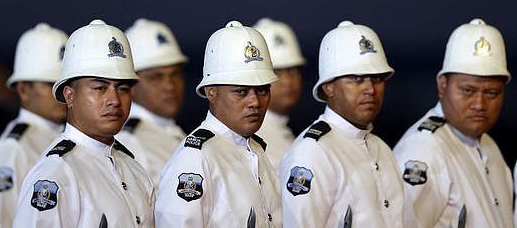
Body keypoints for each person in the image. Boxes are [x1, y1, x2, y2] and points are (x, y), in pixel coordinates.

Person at [13, 19, 154, 227]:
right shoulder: (56, 173)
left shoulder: (133, 168)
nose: (114, 100)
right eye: (99, 88)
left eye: (122, 88)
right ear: (69, 96)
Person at [156, 21, 282, 227]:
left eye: (262, 90)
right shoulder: (196, 158)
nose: (255, 102)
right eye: (241, 91)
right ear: (211, 91)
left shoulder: (255, 150)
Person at [279, 21, 403, 227]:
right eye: (356, 78)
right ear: (328, 87)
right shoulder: (313, 152)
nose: (370, 89)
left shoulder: (382, 150)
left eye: (377, 78)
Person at [393, 18, 513, 228]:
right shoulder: (423, 148)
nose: (479, 104)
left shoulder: (488, 146)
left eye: (491, 93)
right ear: (443, 85)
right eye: (468, 90)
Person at [0, 23, 68, 227]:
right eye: (50, 84)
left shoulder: (65, 136)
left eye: (65, 84)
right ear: (23, 89)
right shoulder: (13, 149)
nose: (61, 93)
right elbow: (1, 221)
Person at [116, 18, 188, 188]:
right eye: (156, 77)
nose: (170, 86)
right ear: (130, 84)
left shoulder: (171, 131)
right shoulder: (130, 141)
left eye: (175, 74)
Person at [253, 18, 306, 169]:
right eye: (276, 71)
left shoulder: (282, 131)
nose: (288, 81)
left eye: (293, 70)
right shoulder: (250, 138)